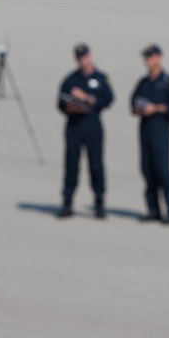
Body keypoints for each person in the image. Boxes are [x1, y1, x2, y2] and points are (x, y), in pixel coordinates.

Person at [56, 43, 114, 219]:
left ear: (90, 56)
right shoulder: (71, 79)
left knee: (96, 164)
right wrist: (71, 106)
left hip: (92, 125)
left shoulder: (101, 77)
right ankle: (67, 201)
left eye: (85, 57)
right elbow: (60, 103)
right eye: (79, 58)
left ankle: (99, 202)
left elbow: (108, 99)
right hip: (74, 125)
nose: (83, 60)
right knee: (71, 164)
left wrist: (87, 98)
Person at [130, 44, 169, 225]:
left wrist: (158, 108)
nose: (147, 61)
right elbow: (132, 102)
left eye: (150, 57)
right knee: (147, 169)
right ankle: (153, 209)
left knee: (163, 170)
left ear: (159, 57)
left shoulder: (168, 81)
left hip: (160, 127)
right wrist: (140, 109)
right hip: (145, 127)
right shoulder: (143, 82)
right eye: (146, 58)